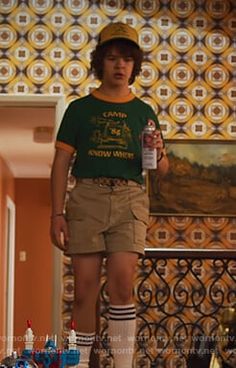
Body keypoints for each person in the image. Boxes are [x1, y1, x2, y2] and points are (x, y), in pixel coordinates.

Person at [50, 22, 169, 368]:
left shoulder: (144, 111)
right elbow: (60, 164)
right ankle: (80, 363)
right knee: (85, 288)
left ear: (135, 66)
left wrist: (159, 150)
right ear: (100, 61)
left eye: (127, 60)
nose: (120, 66)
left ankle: (122, 364)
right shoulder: (79, 109)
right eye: (113, 58)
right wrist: (56, 213)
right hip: (87, 197)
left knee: (121, 284)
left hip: (130, 199)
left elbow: (162, 170)